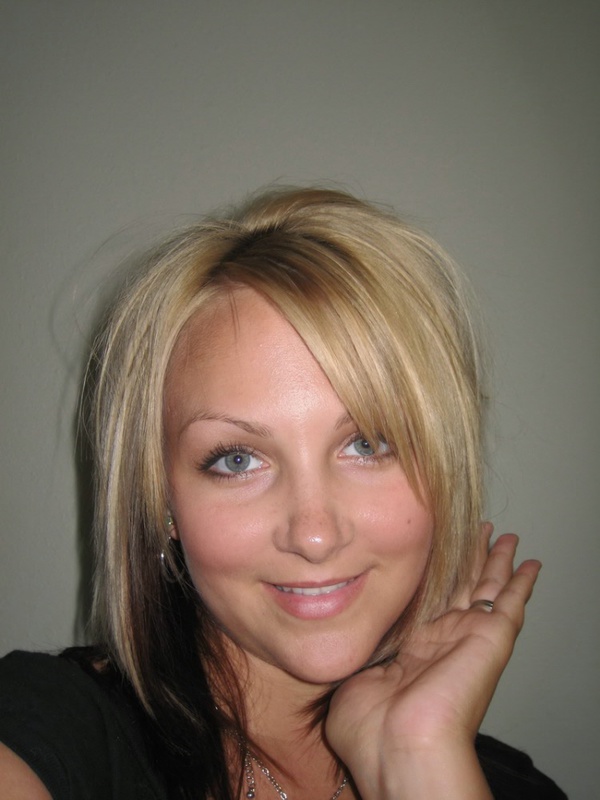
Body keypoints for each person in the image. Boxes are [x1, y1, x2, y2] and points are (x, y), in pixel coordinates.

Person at [0, 187, 566, 799]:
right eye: (237, 460)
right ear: (162, 502)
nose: (315, 535)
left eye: (368, 443)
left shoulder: (496, 783)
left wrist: (419, 758)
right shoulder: (50, 735)